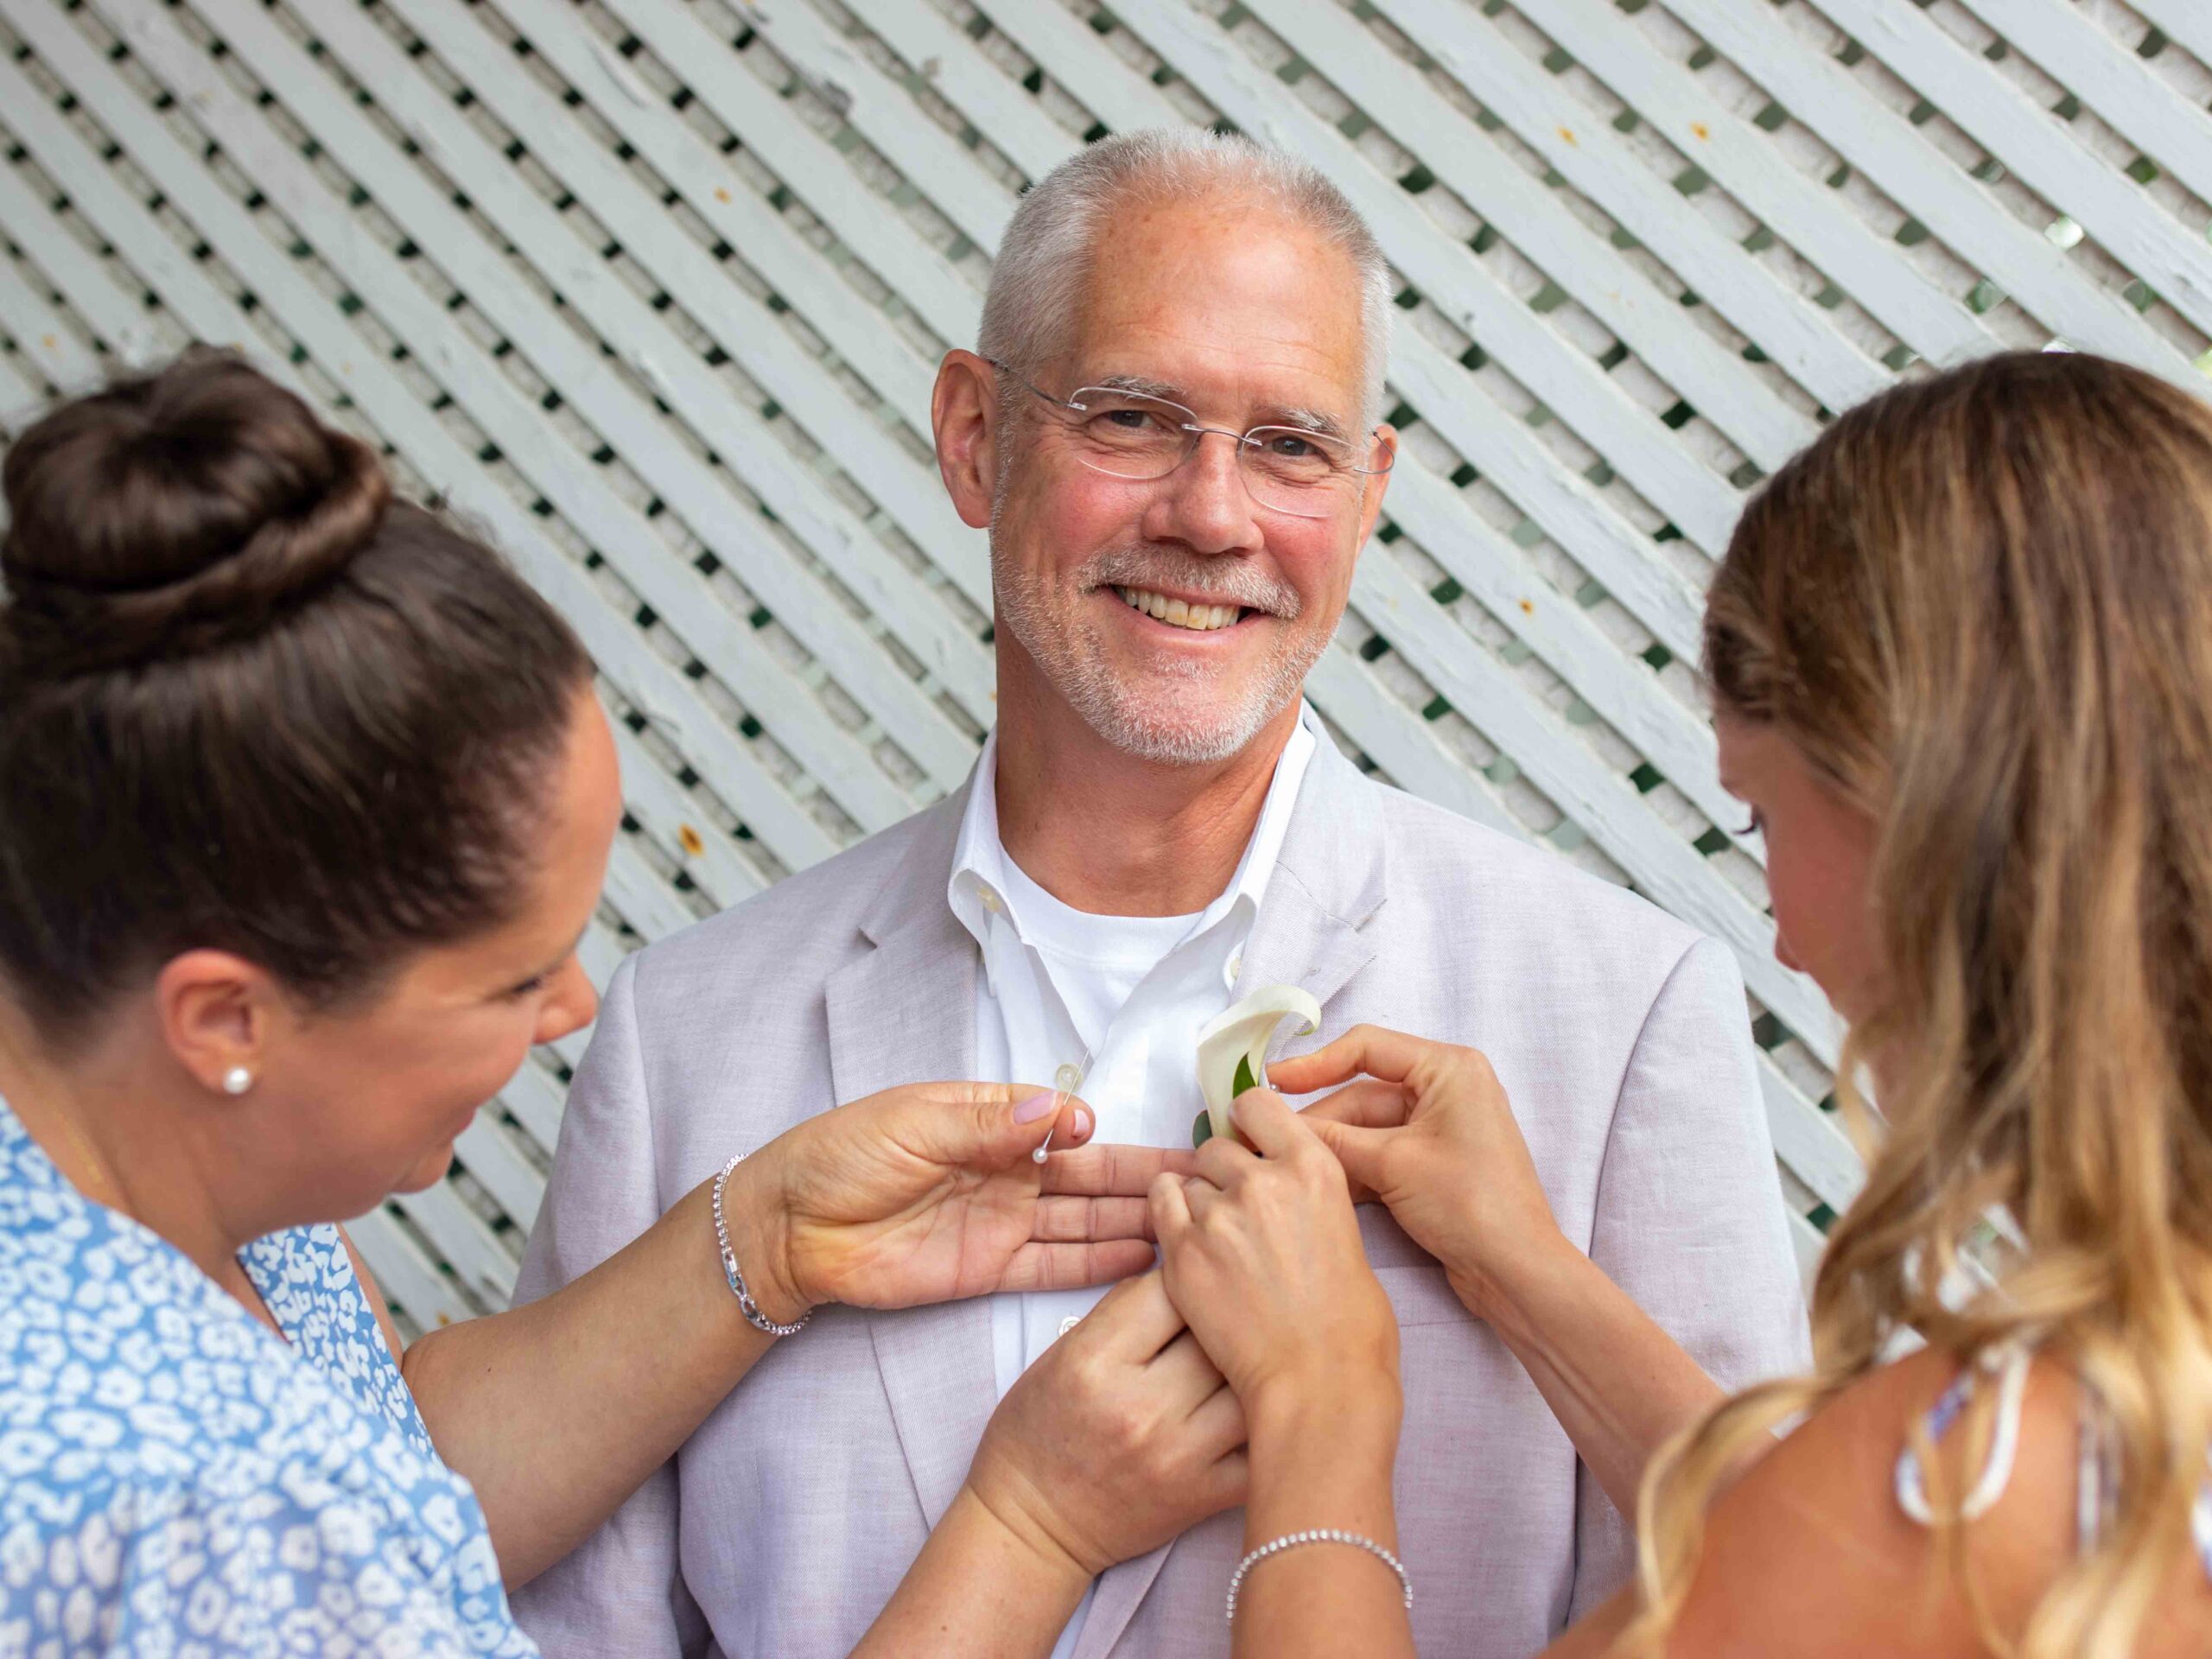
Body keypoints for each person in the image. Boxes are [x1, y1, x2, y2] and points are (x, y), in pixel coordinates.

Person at [514, 127, 1807, 1658]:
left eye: (1291, 447)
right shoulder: (686, 1039)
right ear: (976, 436)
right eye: (1135, 417)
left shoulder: (1620, 1010)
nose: (1213, 514)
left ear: (1369, 490)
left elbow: (1775, 1602)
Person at [0, 350, 1221, 1654]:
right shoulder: (205, 1513)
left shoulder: (183, 1186)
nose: (577, 1006)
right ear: (225, 1021)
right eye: (515, 978)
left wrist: (772, 1232)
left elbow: (409, 1470)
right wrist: (1031, 1520)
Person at [1153, 350, 2212, 1656]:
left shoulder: (1983, 1477)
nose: (1782, 930)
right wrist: (1521, 1267)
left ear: (1924, 807)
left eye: (1765, 815)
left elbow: (1831, 1553)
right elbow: (1809, 1556)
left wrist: (1318, 1406)